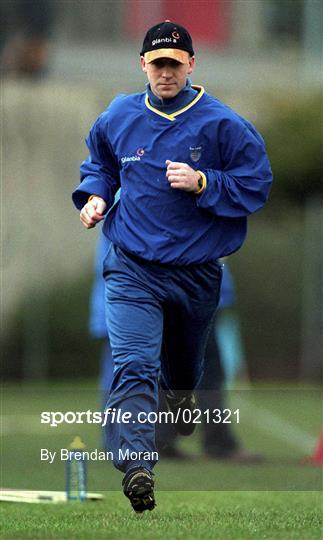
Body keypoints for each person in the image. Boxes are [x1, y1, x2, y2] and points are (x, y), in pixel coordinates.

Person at [72, 20, 272, 513]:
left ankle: (179, 405)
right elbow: (100, 164)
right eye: (157, 63)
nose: (165, 73)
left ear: (191, 66)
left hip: (197, 273)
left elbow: (256, 183)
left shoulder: (223, 124)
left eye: (174, 64)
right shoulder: (119, 114)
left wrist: (205, 181)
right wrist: (95, 197)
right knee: (134, 363)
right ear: (143, 64)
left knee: (183, 374)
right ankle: (138, 463)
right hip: (132, 267)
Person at [89, 229, 260, 462]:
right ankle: (132, 442)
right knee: (140, 369)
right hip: (158, 294)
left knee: (178, 369)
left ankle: (157, 440)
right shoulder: (137, 204)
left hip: (179, 292)